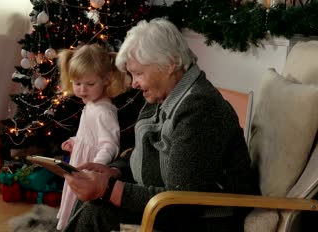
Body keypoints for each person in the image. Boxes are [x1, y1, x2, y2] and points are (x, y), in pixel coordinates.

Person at [62, 18, 258, 232]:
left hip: (206, 219)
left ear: (170, 64)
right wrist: (112, 172)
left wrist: (107, 189)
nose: (134, 83)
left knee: (98, 208)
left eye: (138, 73)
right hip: (167, 203)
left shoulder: (199, 109)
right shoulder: (165, 97)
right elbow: (146, 152)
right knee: (94, 200)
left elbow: (180, 201)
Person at [56, 44, 127, 230]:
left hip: (90, 168)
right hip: (81, 161)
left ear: (107, 80)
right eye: (77, 83)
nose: (82, 90)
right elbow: (89, 135)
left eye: (90, 84)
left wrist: (95, 166)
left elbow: (110, 145)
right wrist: (75, 141)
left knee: (81, 206)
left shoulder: (104, 111)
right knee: (73, 200)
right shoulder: (90, 105)